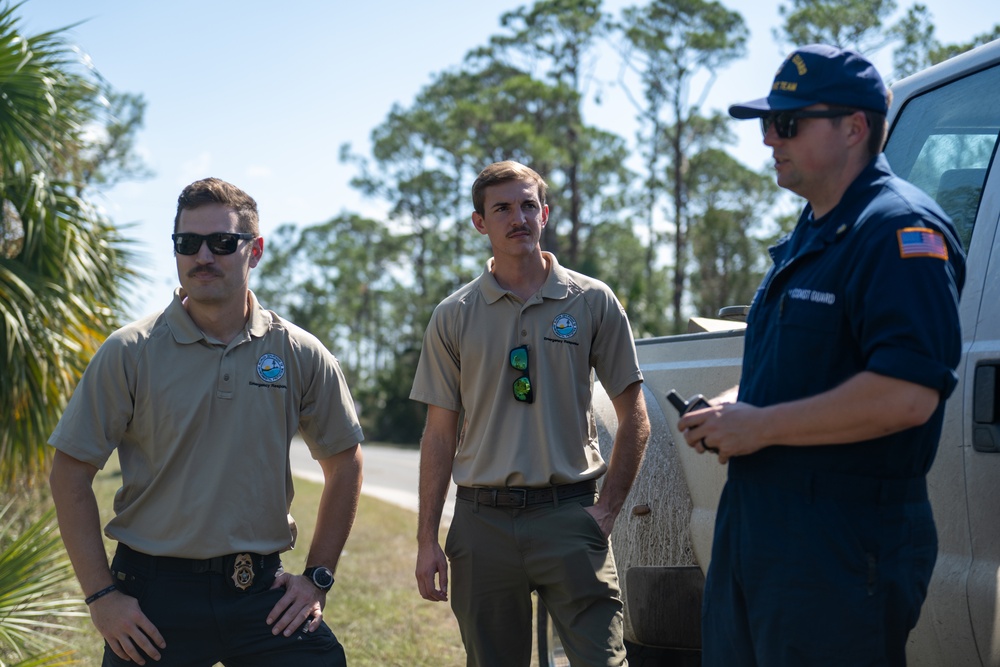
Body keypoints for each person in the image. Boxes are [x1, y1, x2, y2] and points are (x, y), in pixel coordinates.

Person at [677, 45, 966, 666]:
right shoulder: (810, 233)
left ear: (854, 127)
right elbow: (786, 374)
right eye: (766, 124)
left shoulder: (898, 232)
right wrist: (729, 410)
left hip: (841, 543)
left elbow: (907, 393)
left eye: (787, 124)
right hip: (761, 531)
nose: (768, 140)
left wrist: (758, 425)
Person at [48, 177, 365, 666]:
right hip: (153, 599)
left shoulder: (298, 351)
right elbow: (70, 471)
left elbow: (345, 462)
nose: (203, 256)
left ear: (254, 251)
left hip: (263, 592)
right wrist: (102, 598)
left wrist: (317, 576)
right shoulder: (130, 351)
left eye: (222, 243)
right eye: (187, 243)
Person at [409, 160, 651, 667]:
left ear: (544, 213)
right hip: (482, 525)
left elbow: (636, 417)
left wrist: (604, 511)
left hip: (569, 515)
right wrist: (427, 539)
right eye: (502, 208)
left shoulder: (592, 301)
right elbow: (438, 435)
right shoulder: (454, 315)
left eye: (527, 205)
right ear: (480, 223)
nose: (518, 217)